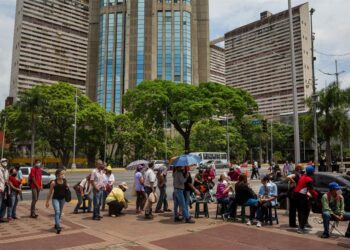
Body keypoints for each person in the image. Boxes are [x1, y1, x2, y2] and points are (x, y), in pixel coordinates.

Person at [294, 165, 318, 234]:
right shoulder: (308, 179)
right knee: (305, 211)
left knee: (300, 211)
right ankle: (301, 227)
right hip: (301, 196)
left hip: (296, 194)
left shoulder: (303, 176)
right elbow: (311, 190)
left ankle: (301, 225)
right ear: (312, 172)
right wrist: (316, 196)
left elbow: (304, 188)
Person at [45, 169, 68, 234]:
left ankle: (56, 223)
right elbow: (50, 193)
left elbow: (66, 189)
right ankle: (58, 226)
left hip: (62, 199)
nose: (63, 175)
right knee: (57, 212)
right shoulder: (53, 183)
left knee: (60, 212)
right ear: (57, 175)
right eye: (61, 174)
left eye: (63, 174)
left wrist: (67, 187)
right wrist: (47, 202)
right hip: (55, 199)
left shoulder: (65, 181)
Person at [0, 158, 9, 223]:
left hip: (5, 189)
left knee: (4, 203)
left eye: (6, 161)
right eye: (3, 161)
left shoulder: (6, 171)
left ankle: (2, 217)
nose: (5, 162)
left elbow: (6, 179)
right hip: (0, 188)